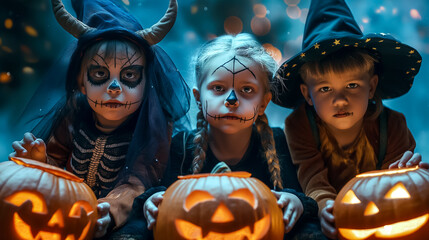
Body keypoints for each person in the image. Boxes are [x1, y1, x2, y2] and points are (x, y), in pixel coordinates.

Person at [116, 33, 326, 240]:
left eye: (246, 89)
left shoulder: (281, 142)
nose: (231, 100)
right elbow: (157, 196)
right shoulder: (180, 146)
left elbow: (307, 199)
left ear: (264, 102)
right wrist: (151, 200)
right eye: (218, 88)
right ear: (198, 98)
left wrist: (298, 202)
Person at [9, 0, 190, 238]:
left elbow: (137, 183)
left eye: (129, 75)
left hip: (121, 222)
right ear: (81, 83)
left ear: (146, 85)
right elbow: (54, 164)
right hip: (65, 211)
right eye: (100, 74)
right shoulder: (75, 115)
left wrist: (111, 209)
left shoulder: (151, 126)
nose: (114, 87)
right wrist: (41, 161)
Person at [271, 0, 428, 239]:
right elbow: (313, 177)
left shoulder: (393, 125)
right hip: (326, 219)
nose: (340, 100)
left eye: (352, 85)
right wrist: (326, 208)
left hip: (382, 219)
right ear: (307, 95)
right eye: (325, 89)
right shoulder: (299, 125)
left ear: (372, 86)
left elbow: (395, 189)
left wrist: (408, 173)